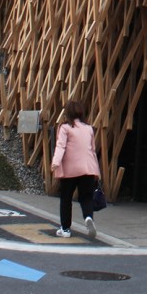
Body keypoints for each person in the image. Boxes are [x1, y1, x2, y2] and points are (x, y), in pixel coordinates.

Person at [51, 98, 101, 239]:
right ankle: (88, 217)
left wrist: (55, 162)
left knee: (66, 199)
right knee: (86, 197)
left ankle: (65, 229)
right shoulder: (89, 128)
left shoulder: (65, 128)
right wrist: (96, 170)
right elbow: (92, 150)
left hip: (70, 170)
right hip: (88, 169)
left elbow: (61, 146)